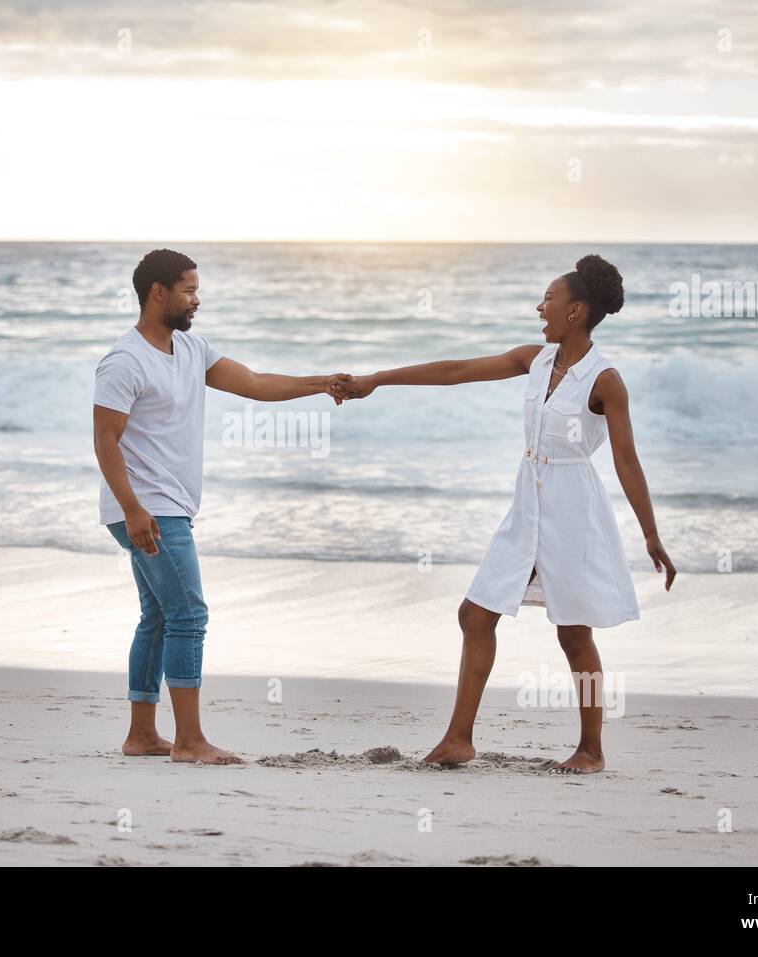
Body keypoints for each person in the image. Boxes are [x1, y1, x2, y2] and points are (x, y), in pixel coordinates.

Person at [343, 254, 676, 773]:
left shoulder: (605, 380)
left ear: (577, 310)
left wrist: (651, 534)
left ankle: (591, 750)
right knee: (475, 614)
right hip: (528, 505)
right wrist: (379, 378)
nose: (540, 306)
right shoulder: (535, 359)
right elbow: (457, 371)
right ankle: (458, 739)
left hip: (573, 512)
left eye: (549, 298)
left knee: (573, 632)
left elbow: (626, 460)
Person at [93, 248, 351, 765]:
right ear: (158, 293)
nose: (197, 299)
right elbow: (105, 440)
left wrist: (320, 383)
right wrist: (134, 509)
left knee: (158, 618)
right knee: (189, 615)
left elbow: (254, 384)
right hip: (149, 508)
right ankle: (189, 741)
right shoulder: (124, 361)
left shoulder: (190, 349)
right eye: (188, 289)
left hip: (166, 506)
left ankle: (142, 734)